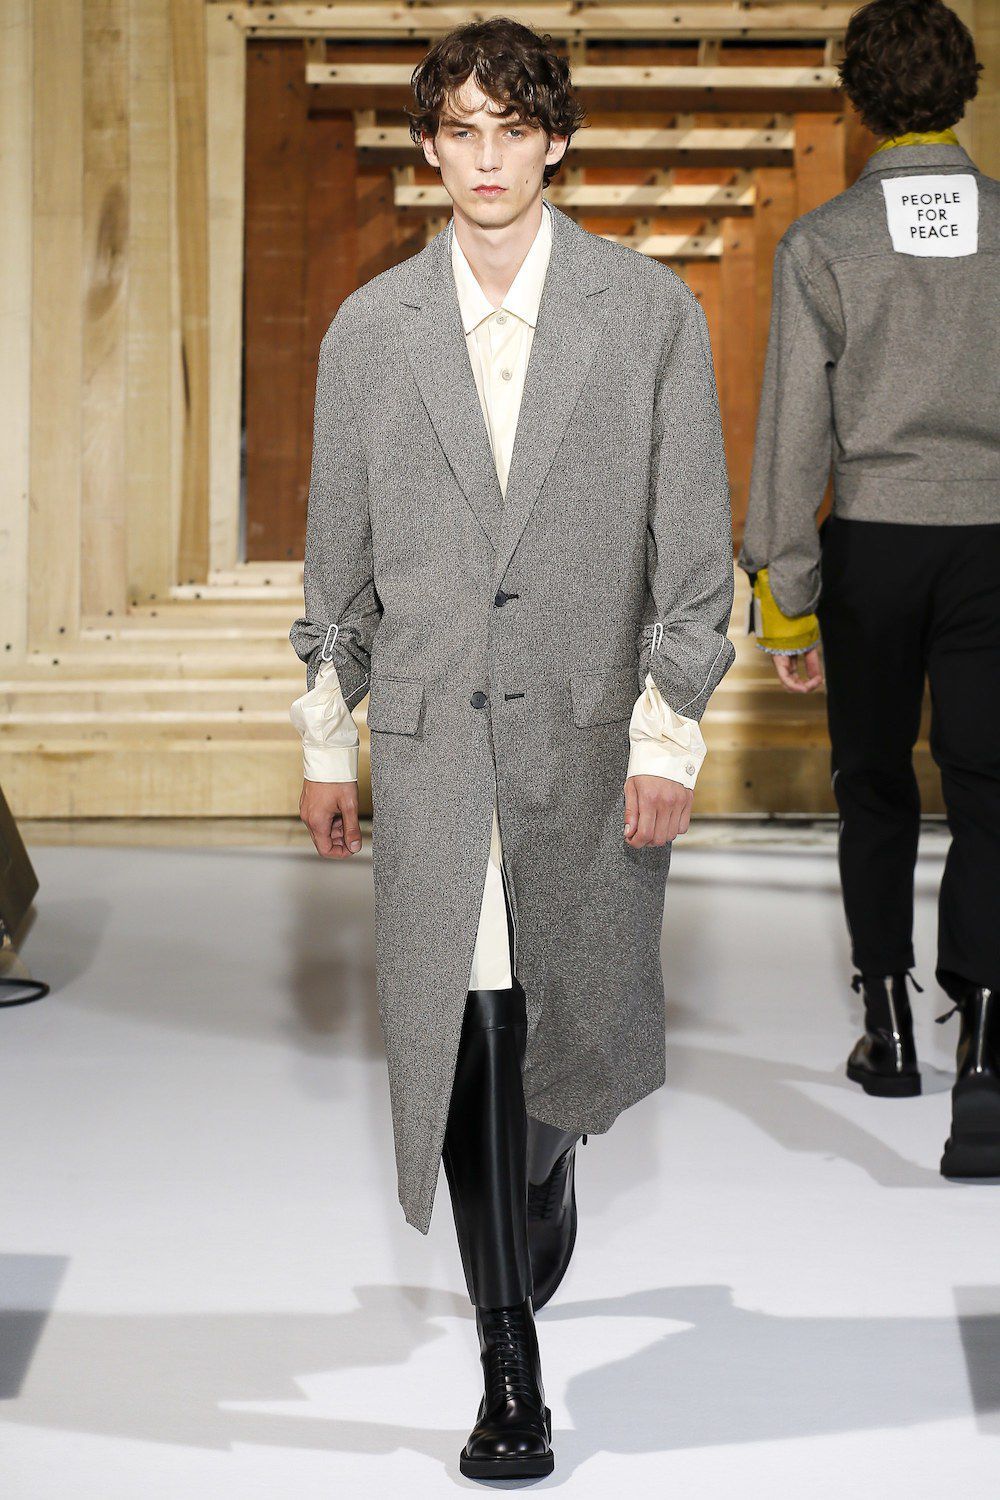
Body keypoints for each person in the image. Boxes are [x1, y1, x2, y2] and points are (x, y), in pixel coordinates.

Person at [289, 18, 735, 1478]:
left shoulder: (647, 314)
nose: (487, 160)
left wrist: (669, 735)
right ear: (431, 147)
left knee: (561, 1035)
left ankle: (550, 1164)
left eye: (513, 129)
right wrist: (327, 741)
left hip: (589, 741)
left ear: (554, 141)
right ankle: (507, 1365)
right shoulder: (371, 332)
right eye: (461, 131)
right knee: (469, 1026)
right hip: (432, 753)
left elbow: (694, 565)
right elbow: (337, 571)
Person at [739, 0, 999, 1177]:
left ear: (856, 104)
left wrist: (785, 595)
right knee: (990, 792)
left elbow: (794, 434)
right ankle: (984, 1047)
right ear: (965, 90)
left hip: (875, 547)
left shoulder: (823, 243)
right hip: (992, 543)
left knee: (873, 783)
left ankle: (888, 1027)